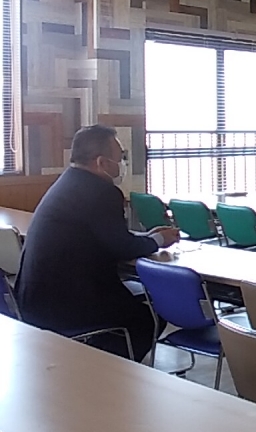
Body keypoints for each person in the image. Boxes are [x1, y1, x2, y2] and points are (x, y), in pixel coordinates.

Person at [15, 125, 180, 360]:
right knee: (151, 316)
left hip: (33, 300)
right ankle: (112, 370)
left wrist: (147, 238)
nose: (122, 163)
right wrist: (159, 240)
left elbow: (106, 235)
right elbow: (122, 248)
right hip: (67, 304)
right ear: (102, 162)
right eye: (120, 157)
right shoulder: (102, 192)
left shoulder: (67, 182)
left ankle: (96, 360)